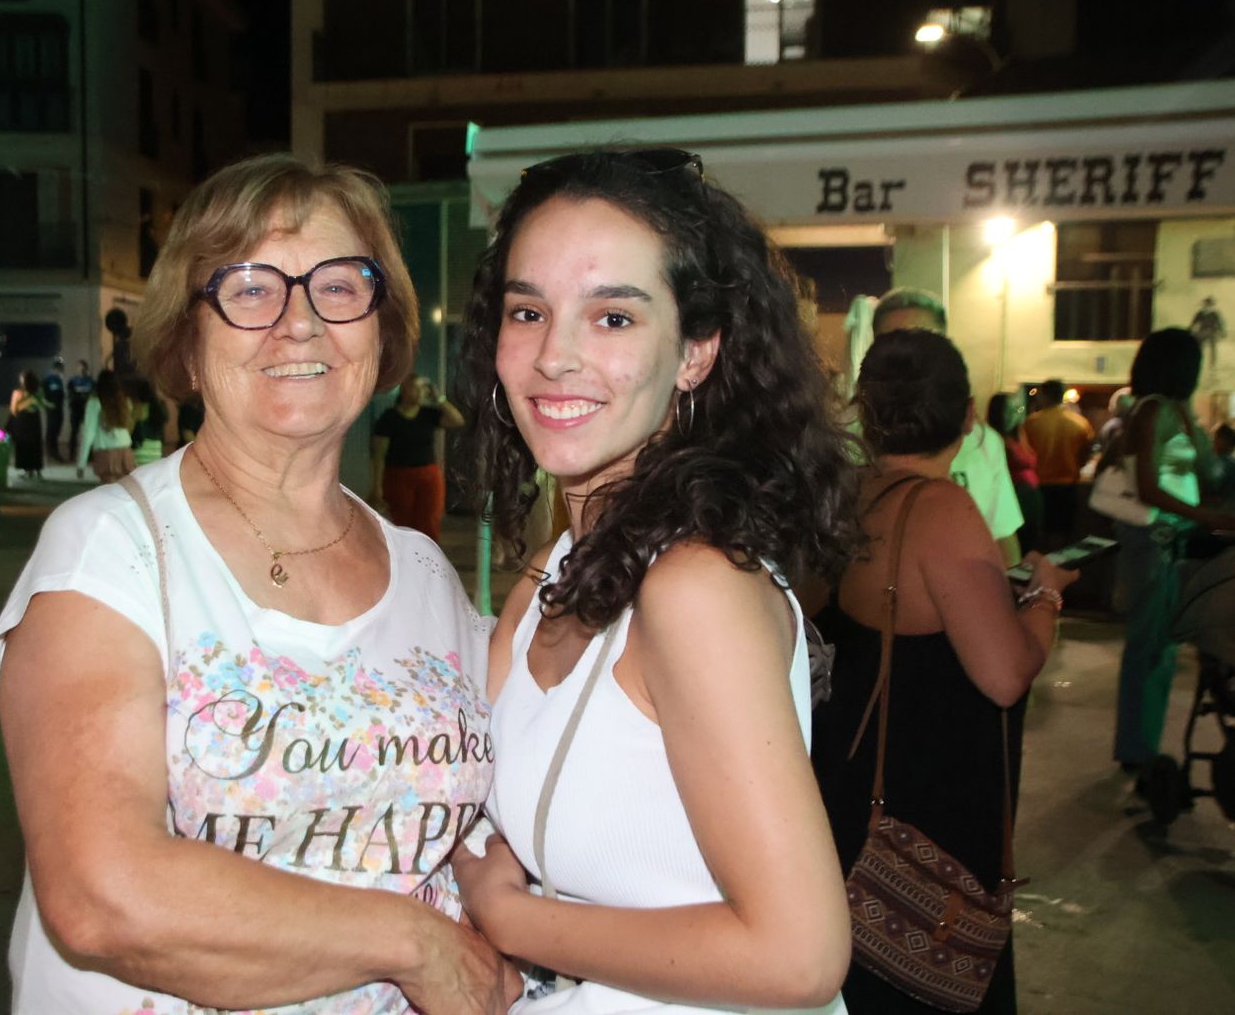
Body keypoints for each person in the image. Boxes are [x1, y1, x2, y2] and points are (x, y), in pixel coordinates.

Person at [0, 153, 512, 1014]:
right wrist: (416, 945)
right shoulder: (111, 551)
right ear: (187, 342)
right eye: (250, 287)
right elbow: (102, 895)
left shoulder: (424, 572)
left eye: (339, 286)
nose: (299, 323)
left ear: (381, 331)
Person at [451, 148, 853, 1014]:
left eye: (614, 319)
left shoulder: (695, 585)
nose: (555, 356)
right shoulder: (550, 572)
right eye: (529, 310)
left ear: (697, 352)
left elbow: (800, 956)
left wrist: (510, 918)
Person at [812, 330, 1079, 1014]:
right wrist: (1045, 593)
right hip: (926, 805)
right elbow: (1003, 674)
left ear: (865, 413)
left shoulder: (849, 496)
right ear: (967, 416)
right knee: (933, 979)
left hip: (850, 785)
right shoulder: (941, 509)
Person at [1102, 329, 1235, 771]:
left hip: (1166, 541)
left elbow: (1199, 472)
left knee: (1159, 650)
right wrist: (1218, 519)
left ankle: (1142, 746)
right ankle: (1136, 749)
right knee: (1148, 649)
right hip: (1151, 542)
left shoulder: (1170, 410)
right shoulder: (1151, 411)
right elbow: (1149, 487)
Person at [871, 287, 1024, 566]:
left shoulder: (983, 441)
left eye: (924, 341)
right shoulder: (847, 437)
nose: (909, 358)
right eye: (892, 343)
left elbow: (1002, 535)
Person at [370, 373, 464, 541]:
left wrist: (439, 398)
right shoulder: (389, 417)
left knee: (429, 520)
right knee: (402, 523)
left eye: (422, 389)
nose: (420, 393)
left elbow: (457, 420)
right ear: (404, 391)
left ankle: (427, 562)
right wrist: (377, 486)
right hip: (398, 476)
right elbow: (379, 454)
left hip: (428, 475)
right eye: (416, 388)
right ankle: (405, 562)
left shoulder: (428, 414)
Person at [1023, 378, 1094, 543]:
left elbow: (1026, 454)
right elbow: (1086, 454)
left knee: (1041, 533)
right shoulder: (1080, 423)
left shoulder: (1032, 422)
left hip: (1040, 484)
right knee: (1064, 532)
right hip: (1068, 484)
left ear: (1044, 396)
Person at [988, 391, 1044, 554]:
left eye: (1017, 409)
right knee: (1020, 547)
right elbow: (1025, 461)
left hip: (1027, 495)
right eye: (1010, 409)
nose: (1015, 414)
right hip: (1015, 496)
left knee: (1029, 545)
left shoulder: (1017, 435)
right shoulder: (995, 439)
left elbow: (1030, 458)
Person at [74, 368, 137, 482]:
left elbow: (89, 433)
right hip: (126, 451)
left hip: (106, 453)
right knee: (126, 495)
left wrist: (81, 463)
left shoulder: (94, 403)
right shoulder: (125, 402)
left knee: (109, 494)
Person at [1207, 423, 1235, 515]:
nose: (1212, 441)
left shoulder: (1222, 462)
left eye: (1215, 437)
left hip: (1220, 512)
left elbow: (1214, 485)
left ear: (1225, 439)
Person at [8, 369, 45, 480]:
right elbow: (14, 409)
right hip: (27, 422)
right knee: (28, 445)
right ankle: (31, 469)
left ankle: (30, 469)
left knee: (30, 445)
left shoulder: (23, 392)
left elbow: (14, 409)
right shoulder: (25, 393)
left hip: (26, 422)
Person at [65, 359, 94, 461]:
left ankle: (89, 456)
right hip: (76, 410)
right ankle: (71, 455)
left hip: (87, 411)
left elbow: (93, 394)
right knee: (74, 432)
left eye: (83, 367)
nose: (81, 369)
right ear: (77, 369)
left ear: (86, 369)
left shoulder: (90, 381)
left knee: (88, 432)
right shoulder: (72, 381)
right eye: (79, 367)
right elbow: (70, 395)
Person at [42, 358, 66, 462]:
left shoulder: (59, 380)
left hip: (59, 409)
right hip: (51, 410)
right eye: (59, 369)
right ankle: (50, 453)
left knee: (56, 430)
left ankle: (54, 453)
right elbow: (41, 394)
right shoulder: (48, 379)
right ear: (55, 369)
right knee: (51, 431)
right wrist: (48, 404)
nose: (60, 371)